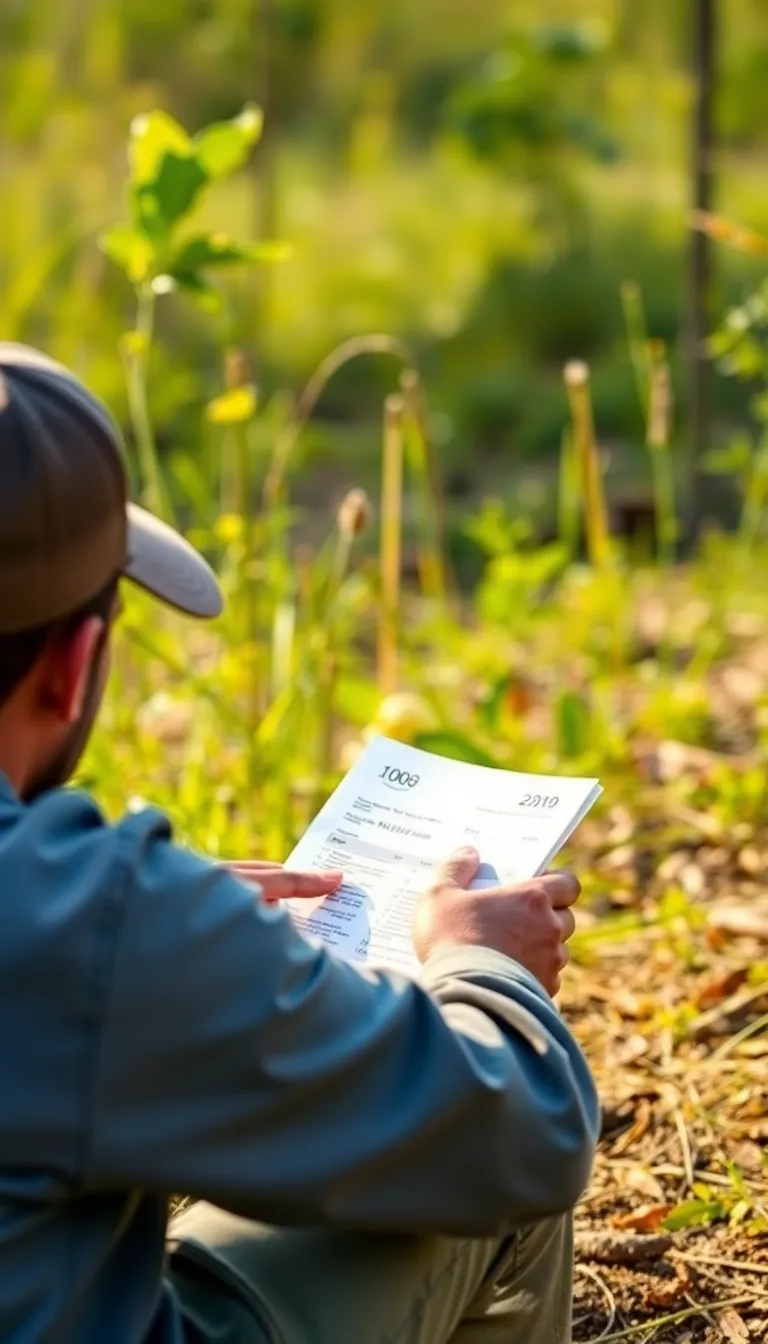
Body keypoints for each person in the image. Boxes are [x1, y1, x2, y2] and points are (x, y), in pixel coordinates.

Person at [0, 342, 599, 1344]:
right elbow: (523, 1133)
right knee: (467, 1188)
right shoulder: (83, 924)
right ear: (76, 666)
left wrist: (172, 963)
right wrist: (482, 970)